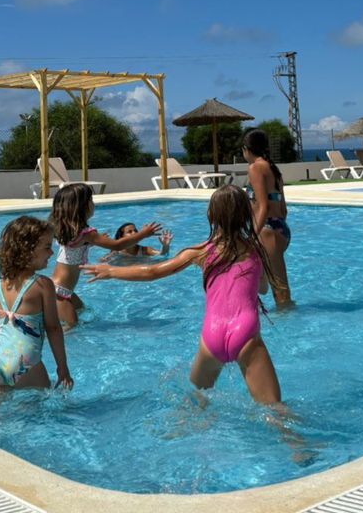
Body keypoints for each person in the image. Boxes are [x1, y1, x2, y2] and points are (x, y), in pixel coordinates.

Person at [81, 185, 285, 404]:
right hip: (245, 332)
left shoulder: (200, 252)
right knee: (275, 409)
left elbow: (152, 272)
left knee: (196, 401)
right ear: (246, 214)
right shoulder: (255, 249)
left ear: (211, 215)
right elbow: (263, 288)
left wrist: (112, 271)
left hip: (212, 334)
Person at [49, 184, 163, 327]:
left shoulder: (68, 231)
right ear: (83, 207)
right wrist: (143, 234)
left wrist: (93, 242)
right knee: (71, 327)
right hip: (60, 292)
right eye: (90, 200)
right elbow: (117, 245)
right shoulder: (87, 233)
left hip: (57, 287)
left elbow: (74, 248)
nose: (93, 204)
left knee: (83, 311)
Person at [0, 216, 73, 391]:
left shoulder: (0, 286)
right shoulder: (42, 285)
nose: (51, 253)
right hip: (24, 363)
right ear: (26, 250)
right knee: (42, 400)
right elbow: (53, 328)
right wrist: (62, 367)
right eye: (47, 247)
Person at [243, 129, 294, 308]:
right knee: (269, 284)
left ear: (246, 149)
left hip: (267, 230)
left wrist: (252, 235)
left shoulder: (255, 168)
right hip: (279, 227)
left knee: (280, 291)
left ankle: (287, 319)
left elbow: (263, 206)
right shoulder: (273, 168)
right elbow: (283, 209)